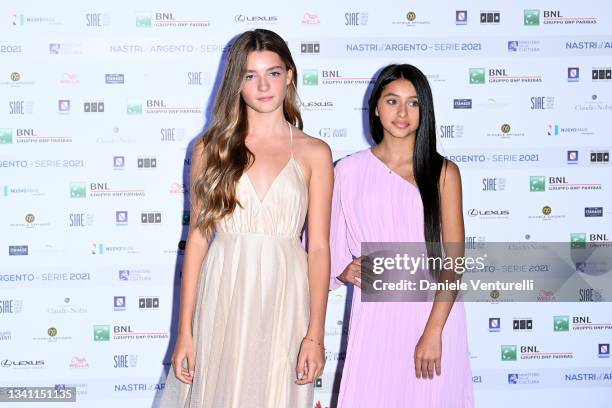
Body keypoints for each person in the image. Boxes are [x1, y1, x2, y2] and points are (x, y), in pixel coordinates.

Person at [160, 29, 333, 408]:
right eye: (250, 75)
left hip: (286, 296)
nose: (263, 86)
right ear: (236, 82)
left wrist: (315, 335)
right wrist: (184, 333)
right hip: (223, 289)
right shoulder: (211, 148)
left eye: (272, 73)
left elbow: (318, 248)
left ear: (290, 75)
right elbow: (199, 239)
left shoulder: (314, 152)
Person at [329, 64, 474, 407]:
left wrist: (434, 331)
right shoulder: (347, 171)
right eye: (392, 101)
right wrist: (342, 269)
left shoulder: (444, 173)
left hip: (432, 315)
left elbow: (454, 261)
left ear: (425, 111)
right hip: (376, 318)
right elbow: (325, 246)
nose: (402, 112)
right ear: (376, 107)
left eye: (413, 103)